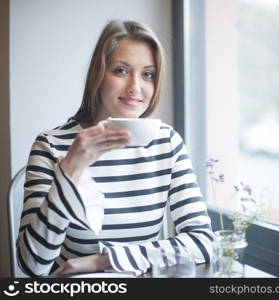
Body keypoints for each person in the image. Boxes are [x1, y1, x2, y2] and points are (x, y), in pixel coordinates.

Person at [17, 20, 213, 277]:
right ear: (98, 74)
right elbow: (33, 265)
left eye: (148, 74)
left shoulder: (167, 142)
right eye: (121, 71)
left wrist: (105, 260)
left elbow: (202, 242)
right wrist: (70, 169)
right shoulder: (51, 145)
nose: (135, 87)